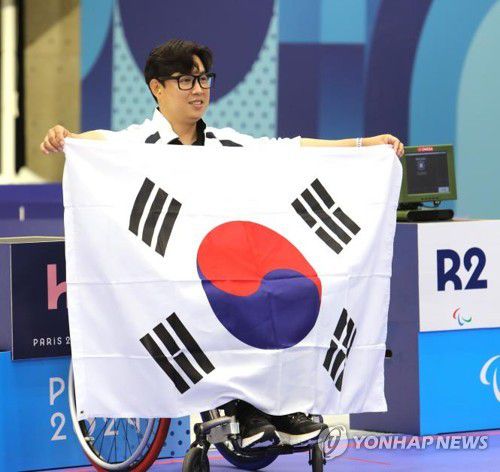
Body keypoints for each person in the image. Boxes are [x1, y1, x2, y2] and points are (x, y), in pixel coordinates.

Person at [41, 39, 404, 449]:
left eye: (203, 79)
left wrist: (362, 146)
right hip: (167, 278)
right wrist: (67, 138)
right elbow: (94, 144)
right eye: (185, 80)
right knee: (207, 304)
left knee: (281, 295)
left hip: (228, 270)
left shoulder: (225, 145)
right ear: (157, 88)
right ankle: (239, 408)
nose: (198, 90)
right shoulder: (137, 146)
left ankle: (280, 404)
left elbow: (292, 152)